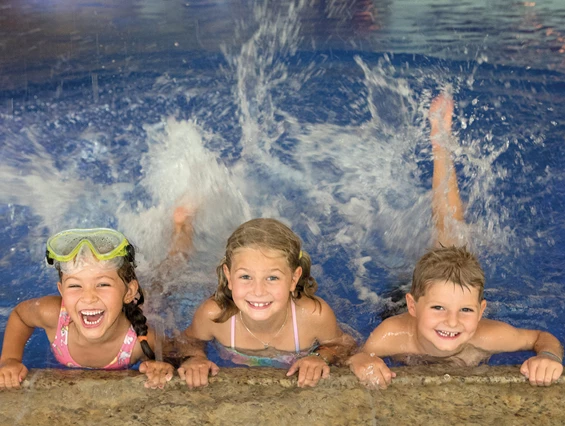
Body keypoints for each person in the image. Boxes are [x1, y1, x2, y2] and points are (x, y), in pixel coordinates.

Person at [347, 93, 564, 389]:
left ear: (481, 310)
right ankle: (440, 144)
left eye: (466, 311)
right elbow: (355, 356)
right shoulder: (392, 335)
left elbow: (541, 338)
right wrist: (362, 360)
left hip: (440, 291)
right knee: (450, 241)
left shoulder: (487, 335)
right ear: (413, 306)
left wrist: (549, 356)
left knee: (452, 244)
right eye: (438, 309)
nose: (452, 322)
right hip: (398, 296)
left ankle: (441, 144)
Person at [175, 218, 356, 388]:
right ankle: (182, 234)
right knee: (175, 269)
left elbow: (343, 346)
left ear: (294, 278)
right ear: (229, 277)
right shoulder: (215, 316)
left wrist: (319, 357)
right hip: (189, 294)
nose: (258, 291)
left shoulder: (313, 315)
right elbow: (186, 343)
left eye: (272, 277)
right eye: (245, 276)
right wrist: (196, 358)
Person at [0, 227, 174, 389]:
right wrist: (10, 359)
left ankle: (179, 237)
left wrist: (160, 366)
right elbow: (20, 316)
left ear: (128, 292)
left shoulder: (141, 340)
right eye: (75, 286)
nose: (88, 297)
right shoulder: (51, 314)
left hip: (142, 306)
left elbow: (174, 357)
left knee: (161, 284)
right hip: (116, 302)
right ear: (61, 291)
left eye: (103, 284)